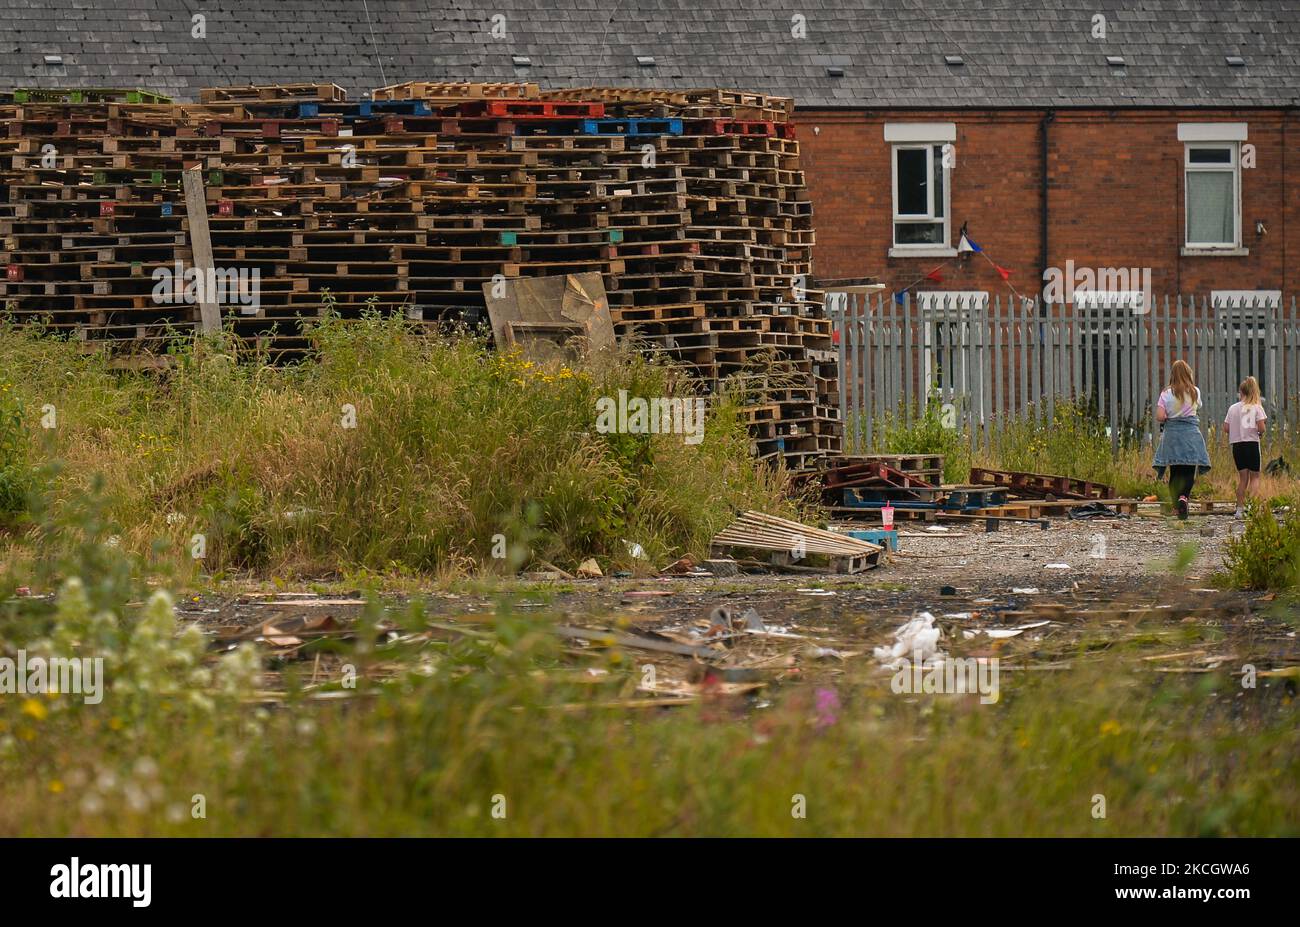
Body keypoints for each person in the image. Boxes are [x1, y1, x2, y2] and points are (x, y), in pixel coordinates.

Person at [1153, 360, 1211, 520]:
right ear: (1188, 373)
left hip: (1172, 435)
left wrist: (1168, 415)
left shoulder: (1166, 393)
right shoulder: (1195, 392)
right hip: (1191, 434)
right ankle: (1184, 498)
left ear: (1172, 374)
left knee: (1175, 471)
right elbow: (1197, 407)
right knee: (1189, 470)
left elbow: (1160, 416)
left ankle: (1174, 507)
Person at [1222, 376, 1267, 517]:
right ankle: (1251, 507)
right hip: (1252, 444)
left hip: (1237, 446)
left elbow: (1226, 428)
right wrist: (1259, 431)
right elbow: (1262, 427)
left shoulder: (1233, 408)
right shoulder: (1257, 407)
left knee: (1243, 479)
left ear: (1241, 392)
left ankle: (1239, 509)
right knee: (1255, 477)